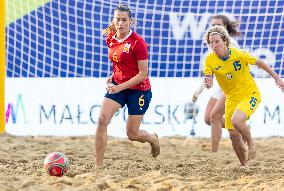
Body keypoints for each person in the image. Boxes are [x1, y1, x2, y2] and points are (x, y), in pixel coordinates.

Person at [203, 25, 284, 166]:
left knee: (236, 120)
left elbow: (260, 63)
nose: (213, 45)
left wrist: (277, 78)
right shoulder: (210, 59)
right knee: (233, 135)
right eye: (211, 42)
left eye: (216, 41)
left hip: (249, 93)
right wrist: (208, 82)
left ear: (225, 41)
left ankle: (251, 143)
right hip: (231, 97)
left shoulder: (239, 54)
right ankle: (244, 165)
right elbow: (209, 81)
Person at [95, 4, 160, 167]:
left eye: (124, 20)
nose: (121, 23)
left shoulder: (138, 43)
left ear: (130, 21)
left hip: (139, 90)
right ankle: (98, 166)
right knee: (102, 120)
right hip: (118, 85)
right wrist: (114, 76)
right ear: (113, 20)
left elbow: (142, 74)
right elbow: (119, 61)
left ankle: (152, 138)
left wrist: (119, 87)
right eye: (118, 19)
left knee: (132, 134)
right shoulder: (110, 37)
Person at [192, 15, 241, 152]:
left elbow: (240, 68)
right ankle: (240, 127)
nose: (216, 28)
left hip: (232, 86)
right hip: (220, 87)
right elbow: (210, 73)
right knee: (208, 119)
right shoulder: (212, 45)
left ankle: (214, 152)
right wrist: (198, 91)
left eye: (219, 25)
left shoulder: (232, 45)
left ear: (225, 28)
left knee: (214, 116)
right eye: (213, 25)